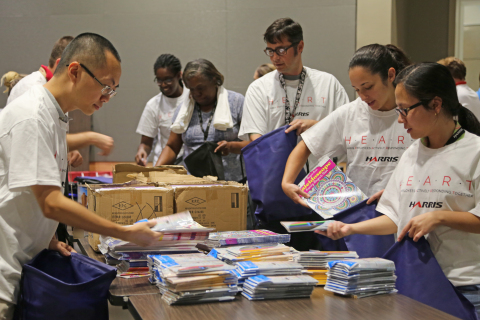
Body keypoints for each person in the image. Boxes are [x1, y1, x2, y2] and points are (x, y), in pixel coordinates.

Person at [0, 33, 162, 319]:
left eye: (114, 90)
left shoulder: (56, 115)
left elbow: (23, 192)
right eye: (105, 86)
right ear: (74, 71)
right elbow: (50, 202)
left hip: (26, 265)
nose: (107, 97)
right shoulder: (32, 115)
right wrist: (124, 232)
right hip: (6, 275)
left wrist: (46, 238)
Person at [318, 62, 480, 315]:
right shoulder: (412, 153)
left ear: (436, 105)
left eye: (405, 110)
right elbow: (395, 217)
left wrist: (439, 217)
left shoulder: (475, 152)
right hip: (414, 283)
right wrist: (350, 228)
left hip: (465, 287)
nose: (400, 119)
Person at [282, 44, 414, 204]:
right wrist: (287, 182)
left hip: (404, 208)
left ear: (391, 75)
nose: (363, 96)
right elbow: (306, 145)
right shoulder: (350, 113)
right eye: (357, 90)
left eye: (368, 87)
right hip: (360, 211)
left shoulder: (414, 112)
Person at [238, 17, 349, 143]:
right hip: (276, 162)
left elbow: (347, 128)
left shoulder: (328, 84)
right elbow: (256, 139)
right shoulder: (259, 88)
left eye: (281, 50)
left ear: (300, 46)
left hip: (322, 162)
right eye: (270, 51)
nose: (275, 58)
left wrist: (314, 126)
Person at [4, 35, 115, 158]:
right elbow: (34, 141)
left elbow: (51, 139)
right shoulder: (33, 94)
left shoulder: (56, 98)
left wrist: (65, 149)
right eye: (104, 86)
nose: (106, 98)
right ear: (70, 70)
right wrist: (91, 138)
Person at [156, 59, 248, 182]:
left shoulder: (236, 103)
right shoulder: (183, 110)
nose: (196, 94)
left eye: (201, 88)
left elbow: (254, 144)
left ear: (215, 80)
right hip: (194, 183)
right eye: (191, 89)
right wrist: (154, 171)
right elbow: (172, 147)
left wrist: (231, 146)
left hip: (232, 182)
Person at [135, 54, 189, 166]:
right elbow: (146, 142)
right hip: (165, 163)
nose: (163, 85)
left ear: (179, 75)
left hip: (191, 163)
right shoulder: (153, 104)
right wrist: (142, 151)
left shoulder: (192, 98)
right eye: (159, 80)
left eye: (168, 80)